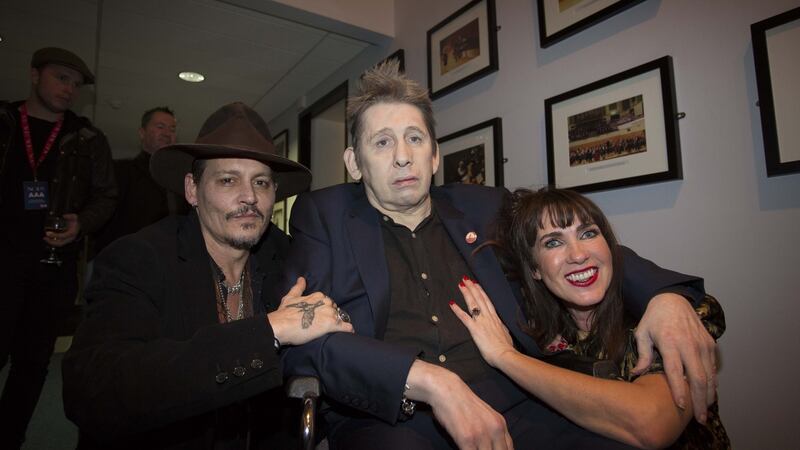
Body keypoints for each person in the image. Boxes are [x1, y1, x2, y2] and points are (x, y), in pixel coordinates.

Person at [281, 60, 718, 449]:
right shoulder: (323, 216)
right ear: (354, 163)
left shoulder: (483, 206)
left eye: (415, 139)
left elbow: (572, 247)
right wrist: (429, 382)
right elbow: (304, 345)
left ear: (434, 156)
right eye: (381, 143)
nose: (402, 157)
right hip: (391, 417)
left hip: (511, 397)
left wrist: (666, 297)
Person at [62, 102, 354, 449]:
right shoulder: (140, 258)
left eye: (261, 182)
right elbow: (92, 391)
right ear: (192, 189)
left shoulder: (288, 258)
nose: (249, 197)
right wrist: (271, 331)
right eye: (228, 180)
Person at [450, 187, 730, 449]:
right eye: (553, 242)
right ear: (534, 268)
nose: (578, 255)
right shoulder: (535, 330)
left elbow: (651, 424)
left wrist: (505, 357)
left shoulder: (668, 318)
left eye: (587, 234)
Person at [0, 47, 117, 449]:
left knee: (33, 365)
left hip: (53, 267)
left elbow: (106, 196)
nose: (69, 89)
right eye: (61, 78)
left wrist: (80, 223)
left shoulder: (87, 139)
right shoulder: (4, 123)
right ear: (35, 75)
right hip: (3, 262)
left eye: (76, 83)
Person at [92, 106, 190, 255]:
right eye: (160, 126)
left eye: (172, 129)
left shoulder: (182, 181)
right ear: (142, 133)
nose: (167, 133)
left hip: (168, 262)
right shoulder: (120, 171)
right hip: (123, 260)